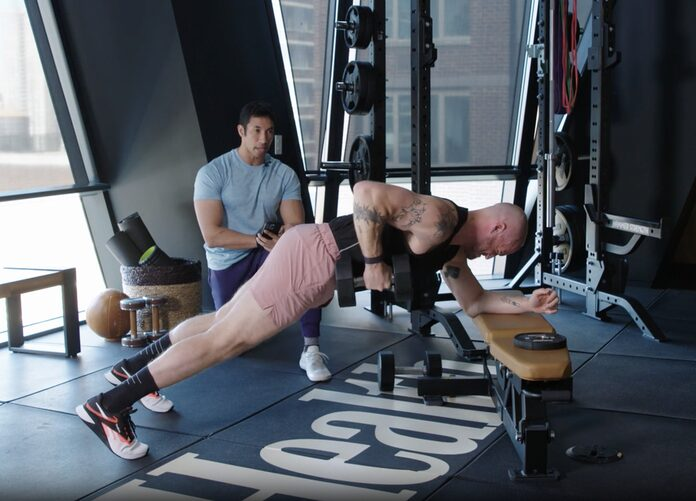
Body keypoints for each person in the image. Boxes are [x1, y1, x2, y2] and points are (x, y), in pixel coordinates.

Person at [76, 180, 559, 460]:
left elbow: (475, 304)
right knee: (227, 341)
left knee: (221, 321)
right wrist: (372, 264)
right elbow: (367, 192)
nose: (498, 254)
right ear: (497, 228)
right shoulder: (440, 218)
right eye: (505, 248)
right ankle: (110, 405)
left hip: (308, 256)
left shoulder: (454, 248)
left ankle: (131, 371)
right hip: (312, 258)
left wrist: (526, 305)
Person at [192, 100, 329, 383]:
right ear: (241, 131)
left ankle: (311, 348)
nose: (264, 139)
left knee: (306, 259)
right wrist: (258, 241)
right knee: (233, 343)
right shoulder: (213, 173)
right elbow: (212, 235)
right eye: (256, 131)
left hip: (265, 252)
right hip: (229, 259)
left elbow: (295, 224)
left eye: (269, 131)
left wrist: (282, 240)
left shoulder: (283, 174)